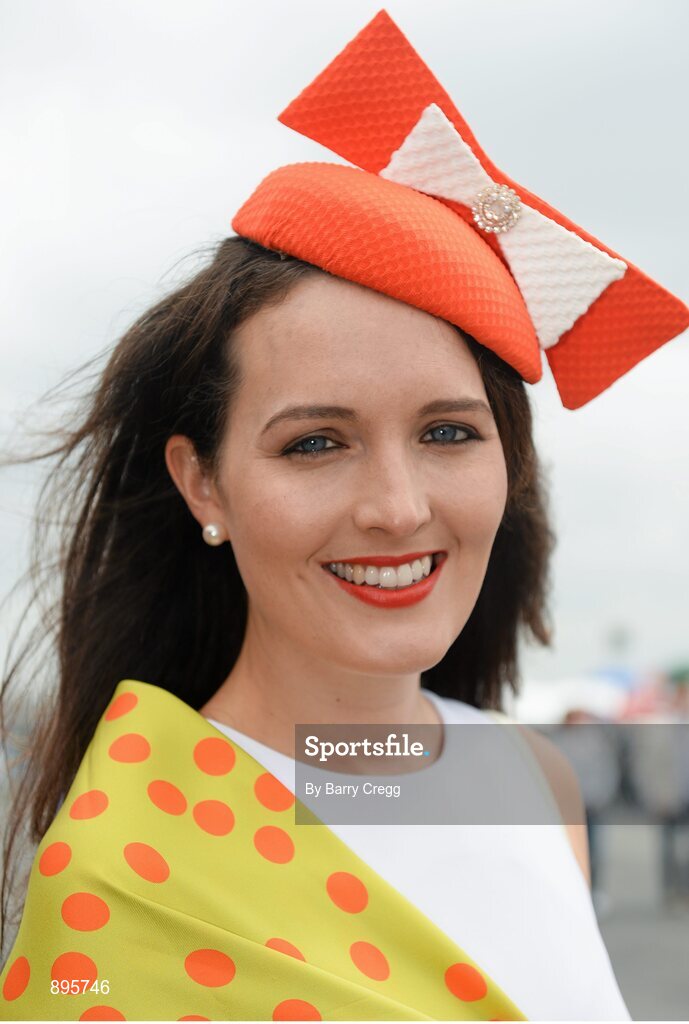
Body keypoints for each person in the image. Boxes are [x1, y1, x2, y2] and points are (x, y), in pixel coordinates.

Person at [1, 8, 687, 1020]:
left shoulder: (536, 780)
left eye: (448, 433)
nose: (396, 506)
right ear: (203, 483)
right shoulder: (119, 882)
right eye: (313, 443)